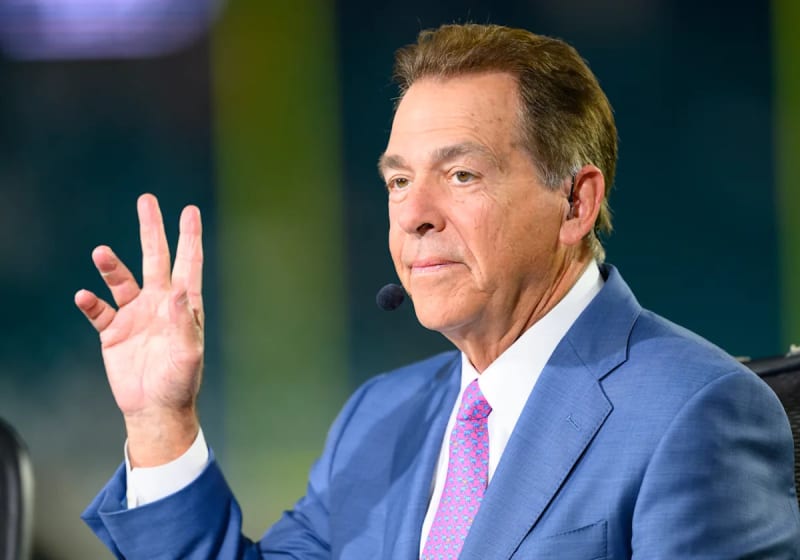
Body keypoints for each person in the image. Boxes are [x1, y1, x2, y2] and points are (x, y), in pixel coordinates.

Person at [76, 23, 800, 559]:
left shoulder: (697, 411)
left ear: (575, 204)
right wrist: (161, 421)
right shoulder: (379, 418)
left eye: (461, 175)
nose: (415, 214)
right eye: (398, 181)